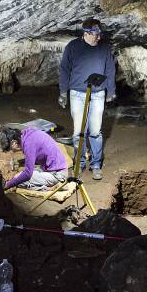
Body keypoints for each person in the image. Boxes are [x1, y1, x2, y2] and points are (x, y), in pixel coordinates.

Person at [58, 18, 116, 180]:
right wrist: (63, 92)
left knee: (96, 131)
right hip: (77, 94)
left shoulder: (104, 48)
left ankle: (96, 165)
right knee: (78, 132)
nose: (98, 38)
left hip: (98, 94)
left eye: (99, 34)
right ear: (86, 33)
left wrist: (111, 90)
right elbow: (64, 69)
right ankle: (80, 163)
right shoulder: (73, 47)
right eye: (95, 35)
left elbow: (110, 69)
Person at [0, 124, 69, 191]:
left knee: (20, 182)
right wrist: (22, 162)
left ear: (14, 143)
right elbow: (37, 156)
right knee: (19, 176)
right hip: (54, 167)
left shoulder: (28, 145)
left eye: (11, 149)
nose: (12, 151)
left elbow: (27, 174)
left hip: (57, 175)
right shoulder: (28, 135)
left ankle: (48, 189)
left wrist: (8, 185)